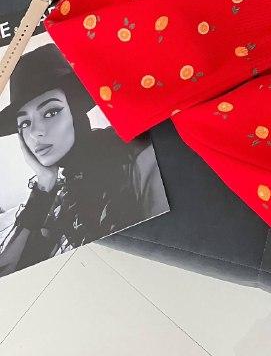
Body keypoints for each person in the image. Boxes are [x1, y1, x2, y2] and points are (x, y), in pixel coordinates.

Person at [0, 43, 166, 276]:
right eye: (25, 123)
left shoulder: (139, 156)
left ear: (75, 111)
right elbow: (10, 271)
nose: (35, 132)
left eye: (50, 112)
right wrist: (44, 185)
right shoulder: (64, 191)